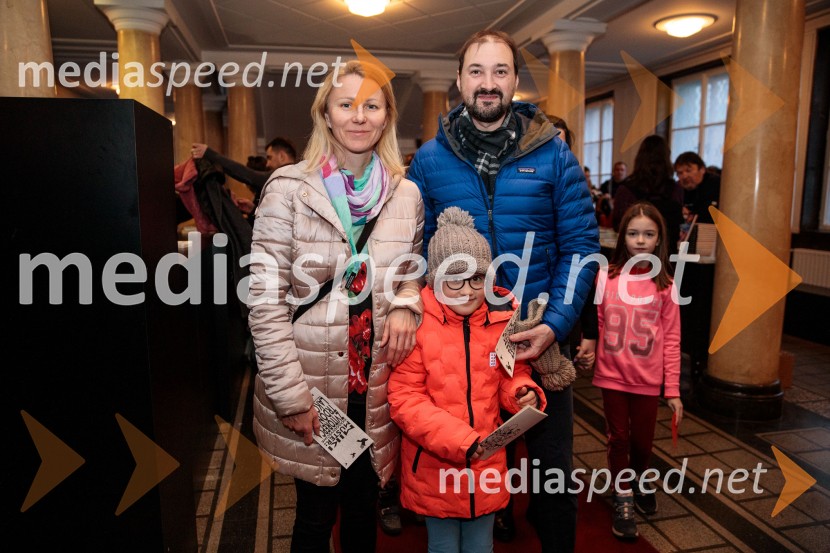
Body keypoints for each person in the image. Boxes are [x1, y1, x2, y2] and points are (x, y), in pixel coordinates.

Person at [406, 29, 600, 553]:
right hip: (458, 348)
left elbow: (582, 245)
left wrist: (555, 323)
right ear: (458, 80)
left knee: (552, 476)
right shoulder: (429, 160)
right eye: (476, 71)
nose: (487, 84)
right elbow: (414, 252)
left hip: (537, 340)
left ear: (515, 80)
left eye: (499, 72)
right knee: (467, 464)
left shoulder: (554, 154)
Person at [246, 59, 425, 553]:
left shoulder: (406, 194)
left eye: (371, 105)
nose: (359, 116)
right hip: (314, 383)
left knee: (364, 507)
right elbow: (264, 303)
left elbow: (410, 270)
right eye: (346, 104)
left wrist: (409, 303)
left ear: (386, 116)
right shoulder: (287, 190)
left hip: (376, 386)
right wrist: (291, 397)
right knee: (315, 516)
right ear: (326, 114)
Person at [388, 206, 545, 553]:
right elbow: (405, 399)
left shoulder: (498, 319)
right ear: (435, 280)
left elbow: (510, 372)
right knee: (443, 547)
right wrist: (460, 440)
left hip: (487, 462)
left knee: (480, 546)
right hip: (434, 467)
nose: (468, 290)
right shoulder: (417, 326)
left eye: (478, 278)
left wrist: (521, 393)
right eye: (454, 279)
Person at [580, 201, 683, 540]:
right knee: (618, 438)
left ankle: (640, 478)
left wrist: (673, 390)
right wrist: (589, 348)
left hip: (648, 381)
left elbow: (671, 339)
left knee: (642, 442)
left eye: (649, 234)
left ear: (659, 240)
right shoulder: (606, 277)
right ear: (623, 236)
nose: (640, 240)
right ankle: (623, 492)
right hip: (612, 376)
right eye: (634, 233)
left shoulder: (665, 285)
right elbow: (595, 321)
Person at [611, 135, 684, 254]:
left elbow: (617, 225)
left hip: (633, 259)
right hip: (667, 259)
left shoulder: (626, 190)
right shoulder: (676, 189)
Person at [191, 136, 297, 212]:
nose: (267, 164)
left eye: (270, 158)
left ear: (282, 156)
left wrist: (209, 154)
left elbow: (247, 175)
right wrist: (253, 210)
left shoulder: (283, 175)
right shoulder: (297, 176)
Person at [674, 151, 721, 224]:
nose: (684, 176)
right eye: (680, 173)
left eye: (688, 171)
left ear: (702, 169)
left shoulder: (717, 185)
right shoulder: (678, 189)